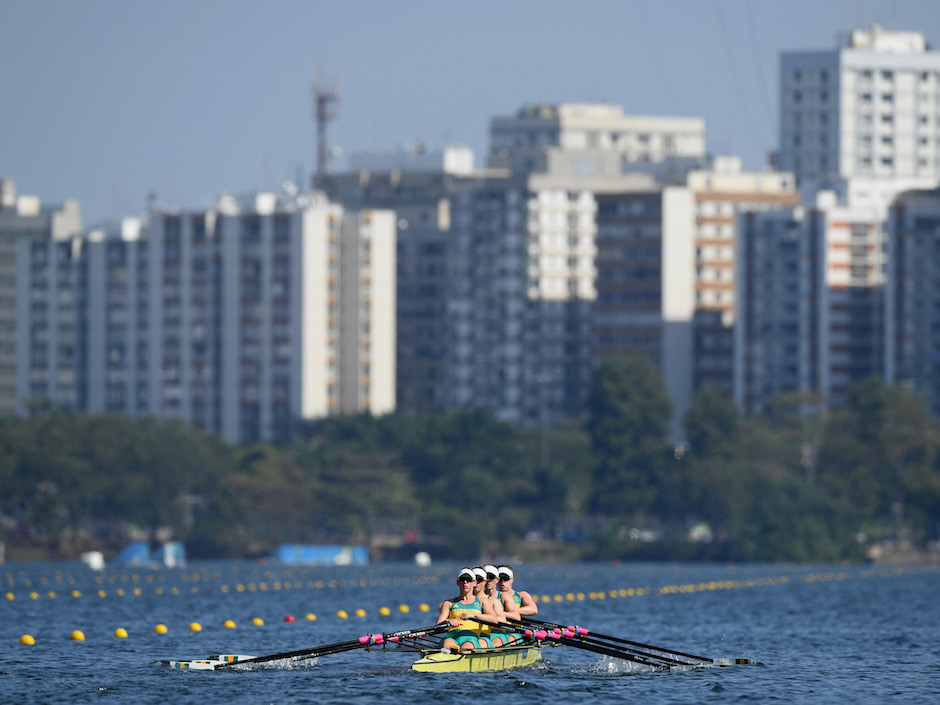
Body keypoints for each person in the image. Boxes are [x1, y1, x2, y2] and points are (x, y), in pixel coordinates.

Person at [435, 567, 500, 653]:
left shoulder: (483, 601)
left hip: (471, 638)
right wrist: (448, 620)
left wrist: (473, 615)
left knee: (466, 648)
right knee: (447, 644)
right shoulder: (448, 603)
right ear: (458, 582)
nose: (465, 582)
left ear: (474, 583)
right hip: (452, 637)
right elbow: (438, 624)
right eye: (462, 579)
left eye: (468, 580)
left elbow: (494, 620)